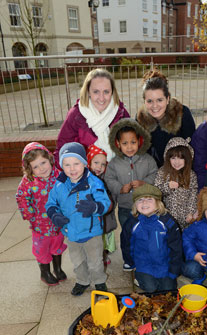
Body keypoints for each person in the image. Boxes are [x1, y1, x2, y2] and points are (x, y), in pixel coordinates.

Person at [46, 142, 111, 296]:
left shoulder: (94, 183)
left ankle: (99, 281)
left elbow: (105, 203)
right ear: (62, 166)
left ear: (84, 163)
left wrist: (94, 207)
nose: (72, 169)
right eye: (67, 165)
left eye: (76, 163)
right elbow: (50, 203)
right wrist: (54, 215)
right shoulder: (59, 185)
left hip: (91, 232)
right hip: (71, 232)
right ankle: (82, 281)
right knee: (77, 261)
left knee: (95, 262)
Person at [54, 68, 130, 167]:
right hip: (85, 176)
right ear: (88, 91)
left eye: (106, 92)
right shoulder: (76, 115)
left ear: (112, 92)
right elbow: (62, 150)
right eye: (96, 92)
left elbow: (133, 146)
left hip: (117, 173)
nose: (101, 98)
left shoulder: (121, 113)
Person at [16, 142, 67, 286]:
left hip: (57, 221)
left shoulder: (58, 175)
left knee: (57, 243)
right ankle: (45, 272)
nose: (41, 168)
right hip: (39, 224)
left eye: (43, 163)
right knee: (41, 248)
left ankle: (57, 268)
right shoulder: (28, 181)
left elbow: (67, 189)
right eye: (35, 167)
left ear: (50, 160)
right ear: (29, 169)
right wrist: (30, 214)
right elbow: (21, 197)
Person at [121, 184, 183, 293]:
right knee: (151, 289)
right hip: (143, 265)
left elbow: (176, 248)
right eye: (140, 200)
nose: (144, 203)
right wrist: (130, 262)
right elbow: (126, 244)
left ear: (158, 203)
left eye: (149, 199)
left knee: (168, 291)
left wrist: (174, 269)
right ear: (135, 204)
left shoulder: (168, 222)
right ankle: (139, 278)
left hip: (164, 265)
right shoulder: (131, 223)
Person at [105, 118, 157, 234]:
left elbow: (155, 173)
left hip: (146, 206)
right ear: (118, 144)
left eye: (133, 142)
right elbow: (109, 179)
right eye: (125, 143)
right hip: (125, 207)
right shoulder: (114, 163)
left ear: (139, 141)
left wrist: (144, 183)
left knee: (146, 232)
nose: (129, 147)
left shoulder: (147, 160)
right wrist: (120, 188)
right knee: (128, 233)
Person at [136, 69, 195, 167]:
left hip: (180, 172)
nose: (155, 106)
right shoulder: (140, 119)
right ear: (144, 101)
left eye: (159, 100)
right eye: (150, 101)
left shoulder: (182, 113)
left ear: (167, 99)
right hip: (153, 173)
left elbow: (193, 147)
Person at [154, 137, 198, 230]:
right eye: (173, 158)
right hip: (167, 218)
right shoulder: (162, 172)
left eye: (181, 158)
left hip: (185, 219)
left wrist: (190, 213)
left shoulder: (191, 175)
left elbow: (193, 196)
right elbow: (156, 191)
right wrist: (167, 186)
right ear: (168, 158)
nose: (177, 162)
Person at [87, 144, 117, 266]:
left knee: (103, 235)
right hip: (91, 215)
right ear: (89, 162)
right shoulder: (86, 178)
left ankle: (103, 254)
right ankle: (95, 256)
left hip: (105, 214)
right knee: (93, 238)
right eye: (96, 162)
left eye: (103, 164)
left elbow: (111, 195)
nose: (99, 167)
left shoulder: (106, 178)